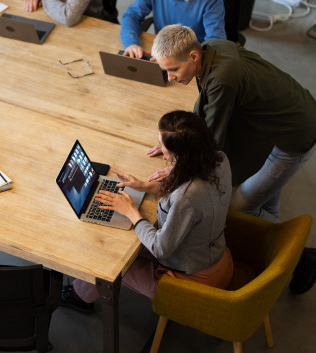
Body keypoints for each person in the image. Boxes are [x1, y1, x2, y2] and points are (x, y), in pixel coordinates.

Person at [150, 24, 316, 294]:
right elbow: (205, 113)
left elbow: (210, 146)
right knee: (264, 202)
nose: (170, 77)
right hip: (282, 122)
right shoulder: (212, 47)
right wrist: (174, 141)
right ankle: (272, 258)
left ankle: (303, 257)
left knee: (237, 207)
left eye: (173, 69)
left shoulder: (223, 79)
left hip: (292, 139)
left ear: (193, 56)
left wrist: (178, 160)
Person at [60, 111, 233, 311]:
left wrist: (131, 212)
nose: (161, 150)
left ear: (179, 155)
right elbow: (192, 189)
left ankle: (78, 297)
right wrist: (143, 186)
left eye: (162, 145)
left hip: (193, 280)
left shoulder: (185, 199)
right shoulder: (219, 159)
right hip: (216, 257)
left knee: (108, 258)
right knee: (121, 239)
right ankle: (80, 292)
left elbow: (161, 248)